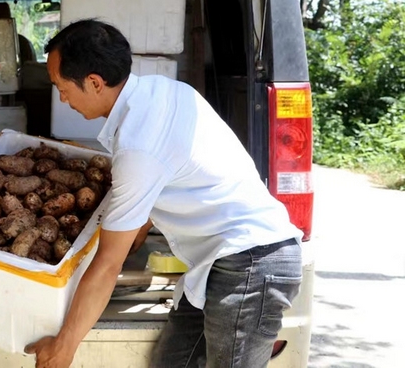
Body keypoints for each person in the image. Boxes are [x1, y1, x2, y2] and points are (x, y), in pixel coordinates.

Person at [25, 19, 302, 368]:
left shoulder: (138, 145)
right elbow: (165, 182)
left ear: (94, 82)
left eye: (62, 88)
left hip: (250, 262)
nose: (62, 99)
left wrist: (65, 346)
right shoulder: (164, 91)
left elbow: (108, 264)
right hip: (219, 262)